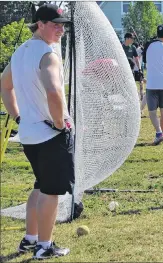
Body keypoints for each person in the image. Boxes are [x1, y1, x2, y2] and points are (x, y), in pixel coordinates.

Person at [0, 4, 74, 259]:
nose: (61, 30)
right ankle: (45, 246)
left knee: (40, 187)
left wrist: (18, 116)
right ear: (39, 24)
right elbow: (53, 92)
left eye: (63, 25)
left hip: (30, 134)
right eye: (55, 25)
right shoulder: (47, 54)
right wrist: (58, 123)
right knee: (51, 192)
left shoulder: (21, 51)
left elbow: (4, 85)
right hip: (49, 134)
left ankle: (30, 240)